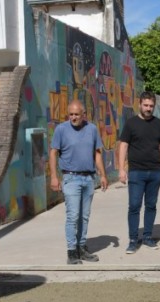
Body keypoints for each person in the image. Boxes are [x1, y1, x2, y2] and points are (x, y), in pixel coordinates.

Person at [50, 100, 108, 265]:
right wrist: (54, 177)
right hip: (71, 178)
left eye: (77, 114)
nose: (73, 117)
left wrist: (103, 175)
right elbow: (53, 153)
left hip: (88, 178)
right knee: (73, 216)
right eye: (71, 114)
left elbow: (97, 154)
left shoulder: (92, 129)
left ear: (84, 114)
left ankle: (82, 248)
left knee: (84, 216)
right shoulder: (61, 130)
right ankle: (71, 252)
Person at [117, 91, 160, 254]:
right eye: (146, 105)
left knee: (151, 205)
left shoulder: (159, 124)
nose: (148, 108)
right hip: (136, 172)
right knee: (134, 206)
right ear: (139, 104)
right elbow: (123, 146)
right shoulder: (131, 124)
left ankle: (147, 237)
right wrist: (121, 169)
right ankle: (133, 240)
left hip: (155, 172)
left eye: (151, 106)